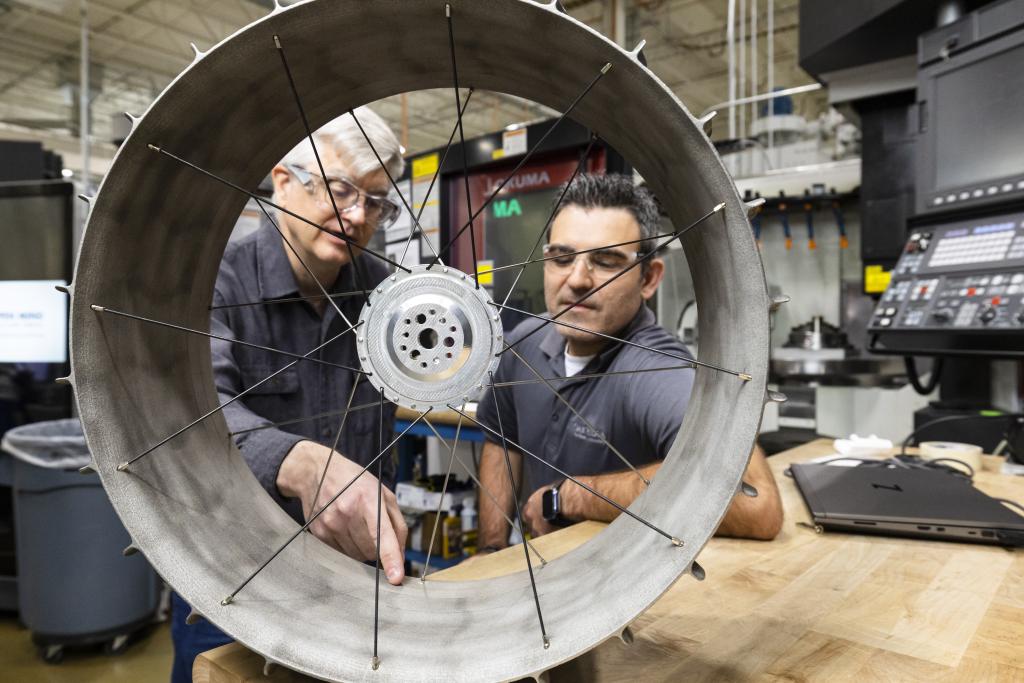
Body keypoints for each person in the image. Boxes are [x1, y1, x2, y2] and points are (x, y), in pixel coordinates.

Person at [170, 108, 407, 682]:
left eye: (376, 202)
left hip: (356, 571)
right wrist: (296, 462)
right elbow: (190, 409)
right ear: (282, 181)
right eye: (341, 189)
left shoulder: (382, 286)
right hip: (234, 581)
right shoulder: (214, 283)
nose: (357, 216)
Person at [475, 173, 783, 552]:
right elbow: (499, 442)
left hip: (616, 594)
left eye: (605, 262)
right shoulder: (523, 341)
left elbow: (757, 504)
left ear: (649, 278)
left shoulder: (656, 370)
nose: (577, 279)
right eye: (562, 258)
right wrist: (490, 554)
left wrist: (573, 496)